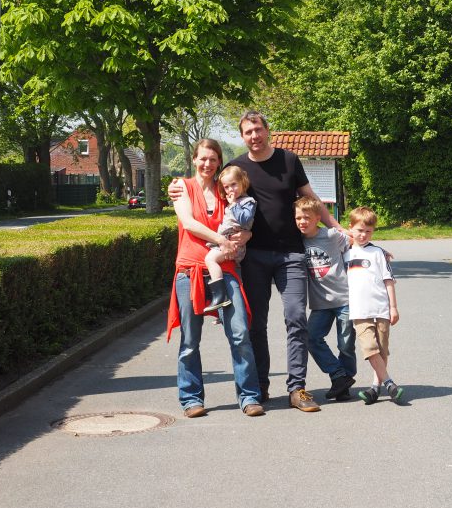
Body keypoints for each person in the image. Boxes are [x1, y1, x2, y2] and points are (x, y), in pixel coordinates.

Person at [169, 110, 341, 412]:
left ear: (267, 130)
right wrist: (176, 186)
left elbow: (309, 196)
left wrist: (335, 228)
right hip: (253, 259)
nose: (254, 136)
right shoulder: (235, 169)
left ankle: (297, 389)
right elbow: (209, 200)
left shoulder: (288, 160)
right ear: (242, 136)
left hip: (290, 253)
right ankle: (258, 387)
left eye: (258, 130)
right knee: (253, 325)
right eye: (248, 132)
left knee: (296, 318)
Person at [165, 138, 264, 418]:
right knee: (189, 340)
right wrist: (223, 239)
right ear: (194, 160)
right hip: (190, 269)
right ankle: (191, 399)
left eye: (212, 159)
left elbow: (244, 220)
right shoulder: (182, 187)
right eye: (202, 158)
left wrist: (248, 234)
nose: (207, 163)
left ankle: (249, 396)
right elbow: (190, 223)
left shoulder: (226, 191)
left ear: (219, 162)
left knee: (240, 333)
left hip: (226, 267)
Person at [295, 196, 357, 401]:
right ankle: (339, 376)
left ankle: (344, 384)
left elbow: (355, 244)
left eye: (306, 217)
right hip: (320, 303)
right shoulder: (298, 241)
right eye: (298, 218)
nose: (302, 222)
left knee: (345, 344)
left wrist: (380, 253)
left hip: (344, 298)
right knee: (311, 338)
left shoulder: (330, 235)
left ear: (318, 218)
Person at [345, 206, 404, 404]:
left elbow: (388, 281)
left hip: (381, 309)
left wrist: (393, 307)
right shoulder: (345, 253)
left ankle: (375, 387)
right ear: (351, 228)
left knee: (381, 349)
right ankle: (389, 382)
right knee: (369, 348)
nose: (363, 235)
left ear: (373, 231)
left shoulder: (378, 253)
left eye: (368, 231)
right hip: (359, 312)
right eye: (359, 230)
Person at [203, 165, 256, 312]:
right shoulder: (234, 202)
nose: (230, 190)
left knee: (210, 260)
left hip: (235, 245)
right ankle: (222, 301)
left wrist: (233, 204)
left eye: (233, 184)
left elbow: (245, 220)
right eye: (226, 187)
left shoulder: (248, 202)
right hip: (226, 241)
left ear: (243, 182)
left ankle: (220, 297)